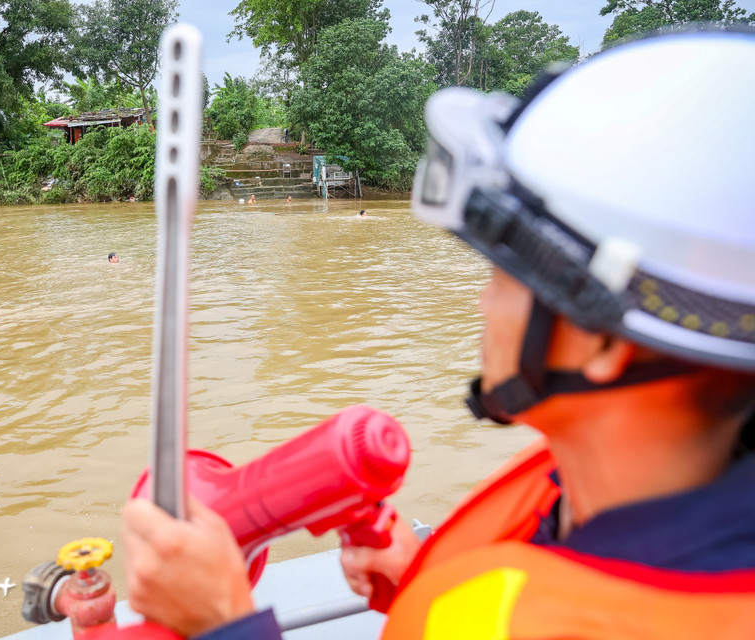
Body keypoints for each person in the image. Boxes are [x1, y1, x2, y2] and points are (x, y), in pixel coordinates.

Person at [121, 30, 755, 639]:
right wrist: (418, 578)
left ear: (603, 339)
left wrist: (224, 622)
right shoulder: (606, 479)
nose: (482, 300)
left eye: (504, 276)